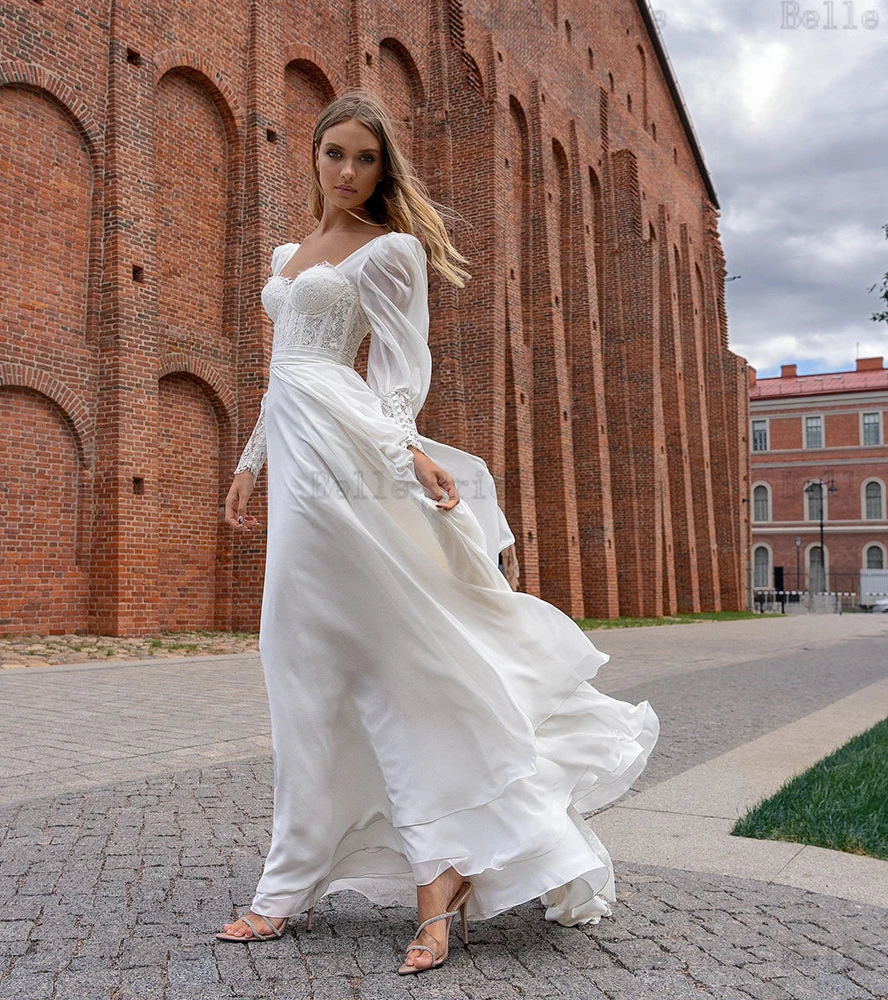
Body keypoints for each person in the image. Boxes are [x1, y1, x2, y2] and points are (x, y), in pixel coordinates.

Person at [217, 88, 659, 976]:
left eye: (365, 159)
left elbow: (396, 372)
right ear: (312, 154)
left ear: (385, 170)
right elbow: (286, 371)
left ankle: (439, 879)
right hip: (297, 459)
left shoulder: (394, 250)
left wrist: (406, 452)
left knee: (397, 657)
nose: (347, 171)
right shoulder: (290, 249)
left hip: (352, 458)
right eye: (334, 153)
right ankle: (287, 882)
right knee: (300, 670)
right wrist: (250, 461)